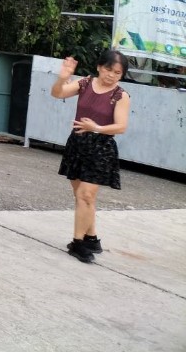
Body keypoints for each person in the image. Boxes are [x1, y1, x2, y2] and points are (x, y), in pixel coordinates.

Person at [50, 50, 131, 263]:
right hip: (77, 144)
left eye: (117, 73)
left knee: (86, 195)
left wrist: (96, 128)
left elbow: (121, 126)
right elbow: (57, 93)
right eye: (108, 69)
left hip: (101, 148)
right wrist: (63, 77)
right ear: (99, 67)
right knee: (82, 196)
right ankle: (92, 238)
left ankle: (78, 243)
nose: (111, 75)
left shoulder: (120, 95)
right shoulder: (85, 83)